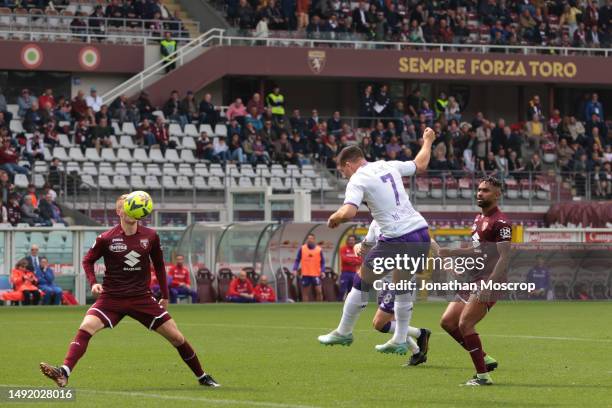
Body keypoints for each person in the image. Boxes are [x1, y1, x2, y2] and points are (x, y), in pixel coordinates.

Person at [40, 194, 219, 388]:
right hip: (112, 297)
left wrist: (165, 296)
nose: (131, 209)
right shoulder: (106, 238)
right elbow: (87, 260)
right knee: (86, 327)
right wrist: (93, 282)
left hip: (141, 298)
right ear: (119, 211)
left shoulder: (150, 236)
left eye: (134, 205)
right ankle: (64, 371)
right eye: (126, 206)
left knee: (177, 337)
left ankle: (202, 376)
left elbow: (159, 265)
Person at [318, 126, 435, 355]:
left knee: (362, 280)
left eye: (343, 172)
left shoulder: (358, 178)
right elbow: (419, 164)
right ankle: (400, 339)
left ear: (349, 164)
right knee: (401, 285)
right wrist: (428, 141)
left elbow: (349, 211)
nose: (344, 176)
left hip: (398, 237)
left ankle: (344, 331)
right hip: (421, 232)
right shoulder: (387, 165)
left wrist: (335, 218)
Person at [437, 176, 511, 386]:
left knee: (465, 323)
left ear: (497, 194)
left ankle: (483, 376)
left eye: (485, 190)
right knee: (448, 322)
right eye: (479, 190)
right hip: (475, 279)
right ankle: (485, 358)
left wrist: (489, 284)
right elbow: (478, 251)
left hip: (490, 281)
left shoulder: (502, 223)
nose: (480, 193)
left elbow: (504, 258)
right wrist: (452, 252)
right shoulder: (478, 219)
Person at [355, 220, 431, 366]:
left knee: (379, 324)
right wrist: (358, 246)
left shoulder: (403, 219)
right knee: (392, 321)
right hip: (385, 280)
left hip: (400, 279)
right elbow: (367, 244)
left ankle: (420, 334)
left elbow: (428, 241)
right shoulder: (375, 223)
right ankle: (417, 352)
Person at [292, 233, 325, 302]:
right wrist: (295, 269)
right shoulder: (302, 248)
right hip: (306, 274)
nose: (310, 240)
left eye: (311, 239)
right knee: (305, 292)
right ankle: (305, 307)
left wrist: (322, 271)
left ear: (314, 240)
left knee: (319, 291)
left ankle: (319, 307)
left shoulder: (318, 250)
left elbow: (322, 262)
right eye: (308, 239)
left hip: (316, 274)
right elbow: (297, 260)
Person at [338, 235, 361, 300]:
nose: (351, 241)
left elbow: (360, 260)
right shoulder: (343, 249)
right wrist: (354, 260)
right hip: (345, 273)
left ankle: (348, 303)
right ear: (347, 241)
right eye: (350, 240)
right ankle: (338, 302)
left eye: (352, 240)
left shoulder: (357, 249)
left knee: (351, 290)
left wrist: (351, 261)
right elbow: (344, 259)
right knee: (342, 289)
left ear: (355, 241)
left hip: (354, 273)